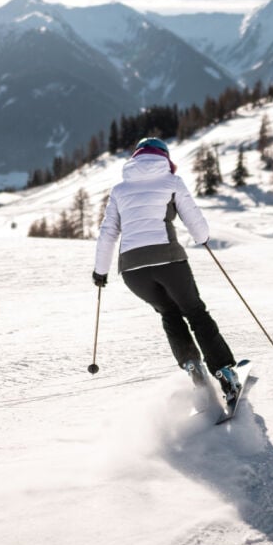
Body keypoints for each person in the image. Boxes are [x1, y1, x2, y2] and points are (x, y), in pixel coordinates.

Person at [93, 137, 241, 398]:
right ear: (165, 158)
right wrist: (202, 238)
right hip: (169, 261)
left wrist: (100, 271)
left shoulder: (119, 190)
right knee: (195, 313)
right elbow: (195, 221)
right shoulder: (172, 182)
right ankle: (225, 373)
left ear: (136, 158)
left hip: (132, 271)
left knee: (169, 314)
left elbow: (107, 233)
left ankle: (193, 367)